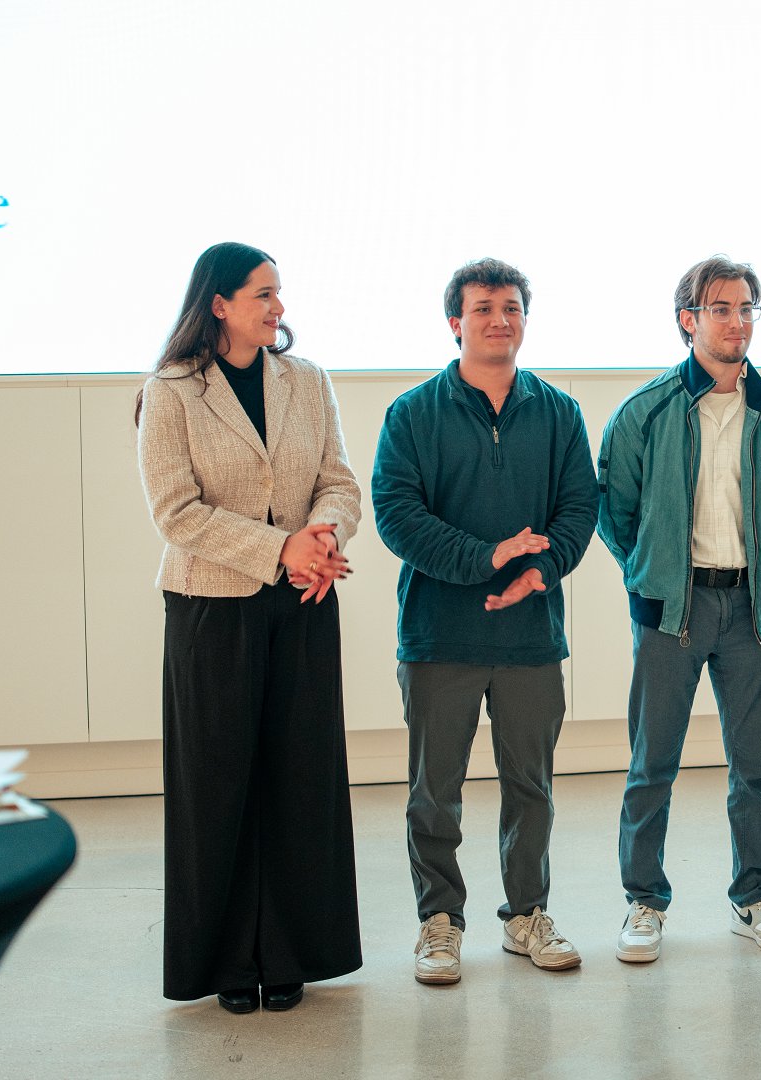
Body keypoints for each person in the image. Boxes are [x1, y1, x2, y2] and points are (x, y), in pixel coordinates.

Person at [136, 241, 362, 1014]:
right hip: (211, 606)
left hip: (303, 601)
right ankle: (230, 960)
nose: (278, 307)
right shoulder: (171, 391)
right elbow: (176, 512)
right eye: (263, 294)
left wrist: (322, 539)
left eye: (279, 292)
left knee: (301, 778)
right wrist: (280, 548)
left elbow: (339, 482)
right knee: (218, 784)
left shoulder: (308, 380)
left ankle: (292, 950)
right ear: (219, 303)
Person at [372, 258, 596, 983]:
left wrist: (540, 570)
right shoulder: (412, 413)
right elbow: (396, 515)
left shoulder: (559, 413)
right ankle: (439, 921)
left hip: (531, 636)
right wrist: (486, 557)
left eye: (511, 307)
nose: (500, 319)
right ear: (455, 323)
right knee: (435, 792)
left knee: (531, 789)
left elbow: (579, 508)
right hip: (440, 635)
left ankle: (527, 914)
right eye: (483, 308)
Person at [597, 255, 761, 962]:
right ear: (688, 320)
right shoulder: (646, 412)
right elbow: (616, 512)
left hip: (753, 611)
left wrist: (760, 579)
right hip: (671, 611)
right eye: (721, 308)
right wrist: (651, 577)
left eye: (747, 308)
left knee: (755, 768)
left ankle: (754, 896)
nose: (736, 322)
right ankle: (644, 902)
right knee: (652, 764)